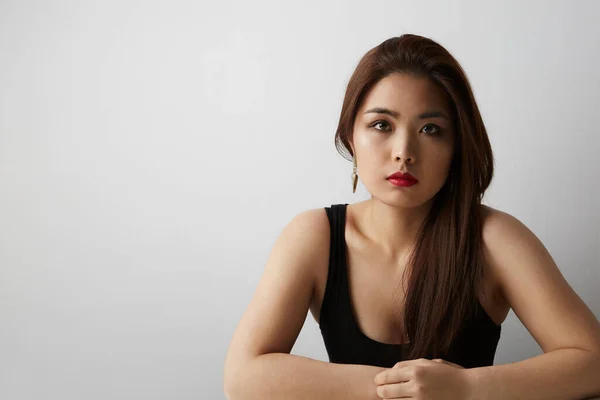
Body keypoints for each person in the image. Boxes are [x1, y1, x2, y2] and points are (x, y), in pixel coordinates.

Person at [223, 34, 600, 400]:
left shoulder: (495, 239)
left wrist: (466, 389)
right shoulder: (314, 235)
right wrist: (398, 389)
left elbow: (593, 362)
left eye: (430, 129)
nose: (404, 151)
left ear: (456, 146)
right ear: (350, 136)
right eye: (382, 125)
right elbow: (242, 378)